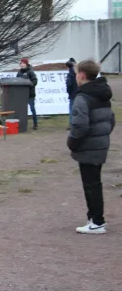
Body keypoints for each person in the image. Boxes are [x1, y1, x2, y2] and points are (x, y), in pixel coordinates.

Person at [68, 60, 115, 234]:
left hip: (88, 146)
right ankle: (94, 218)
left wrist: (72, 142)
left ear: (81, 75)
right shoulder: (102, 94)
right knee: (94, 182)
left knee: (91, 184)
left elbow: (80, 126)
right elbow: (111, 119)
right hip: (100, 144)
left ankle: (97, 221)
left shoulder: (83, 97)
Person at [17, 58, 38, 130]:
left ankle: (35, 124)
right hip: (22, 95)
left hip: (30, 94)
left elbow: (35, 81)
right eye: (21, 63)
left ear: (26, 64)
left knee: (32, 109)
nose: (21, 65)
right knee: (21, 110)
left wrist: (28, 85)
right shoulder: (19, 72)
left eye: (23, 63)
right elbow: (16, 81)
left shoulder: (30, 72)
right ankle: (21, 124)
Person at [66, 57, 78, 129]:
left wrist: (69, 92)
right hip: (79, 93)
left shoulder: (70, 73)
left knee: (71, 109)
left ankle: (71, 123)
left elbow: (69, 84)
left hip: (73, 93)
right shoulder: (79, 72)